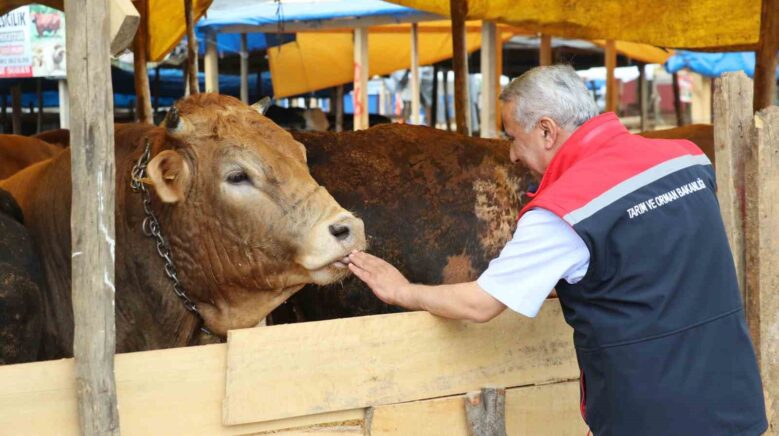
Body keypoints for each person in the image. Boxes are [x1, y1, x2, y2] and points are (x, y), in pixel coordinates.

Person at [347, 64, 767, 436]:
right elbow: (653, 263)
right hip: (733, 398)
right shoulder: (687, 161)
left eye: (512, 136)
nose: (511, 153)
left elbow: (479, 305)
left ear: (547, 130)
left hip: (650, 418)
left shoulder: (563, 211)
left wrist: (402, 290)